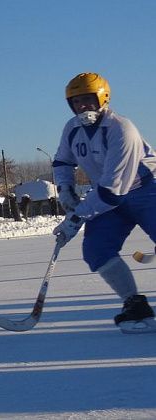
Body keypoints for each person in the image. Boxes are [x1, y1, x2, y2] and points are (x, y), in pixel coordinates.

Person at [51, 72, 156, 333]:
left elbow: (113, 191)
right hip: (109, 196)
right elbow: (63, 161)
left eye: (88, 99)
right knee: (97, 250)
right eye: (76, 102)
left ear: (103, 98)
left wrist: (77, 218)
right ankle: (134, 304)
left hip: (146, 190)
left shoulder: (121, 129)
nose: (82, 106)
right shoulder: (72, 128)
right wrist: (65, 190)